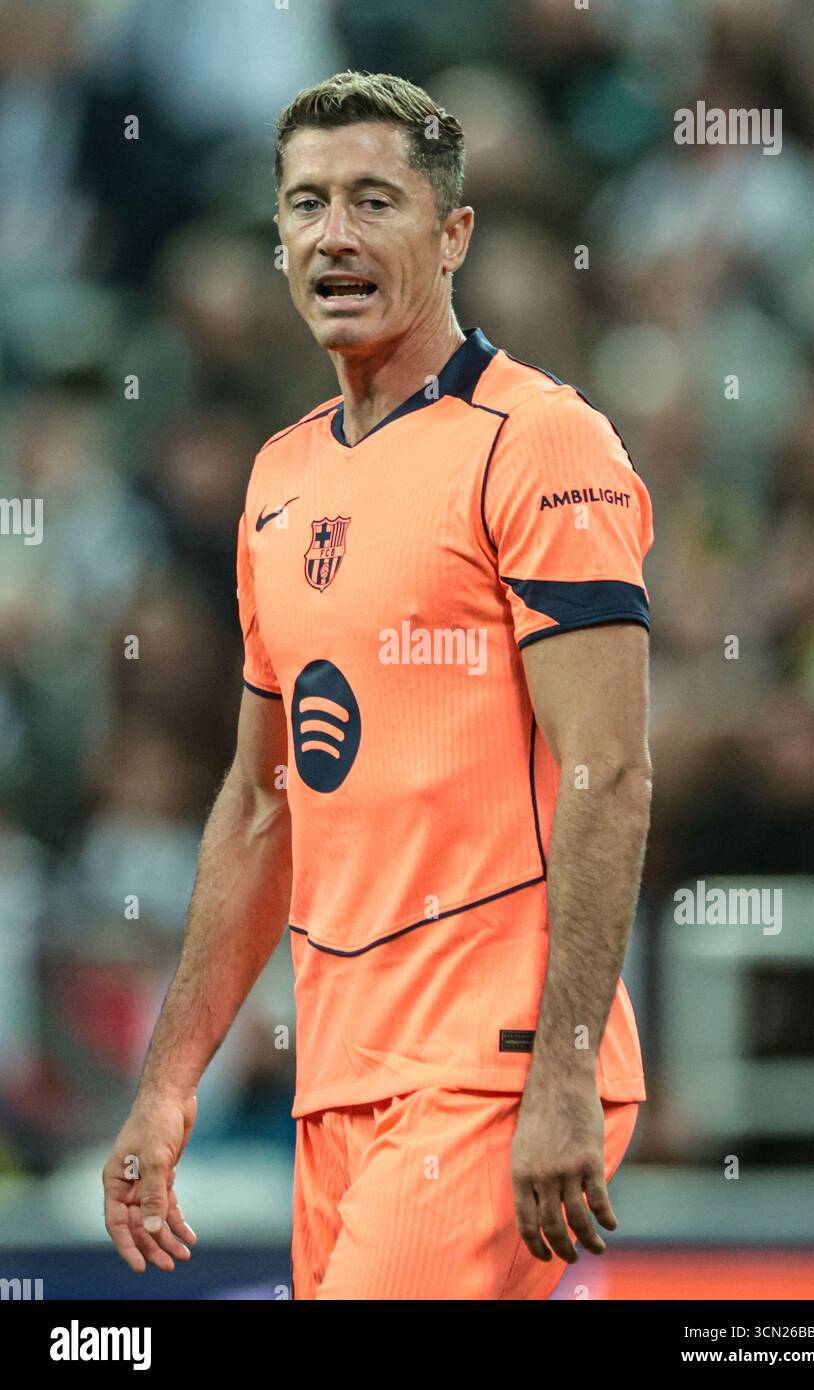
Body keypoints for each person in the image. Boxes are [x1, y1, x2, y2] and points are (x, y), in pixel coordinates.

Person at [103, 69, 654, 1301]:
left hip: (489, 1069)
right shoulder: (279, 478)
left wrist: (564, 1070)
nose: (333, 235)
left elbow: (609, 770)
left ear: (453, 234)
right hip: (337, 1079)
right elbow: (260, 805)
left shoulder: (540, 443)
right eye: (304, 205)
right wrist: (171, 1083)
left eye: (373, 201)